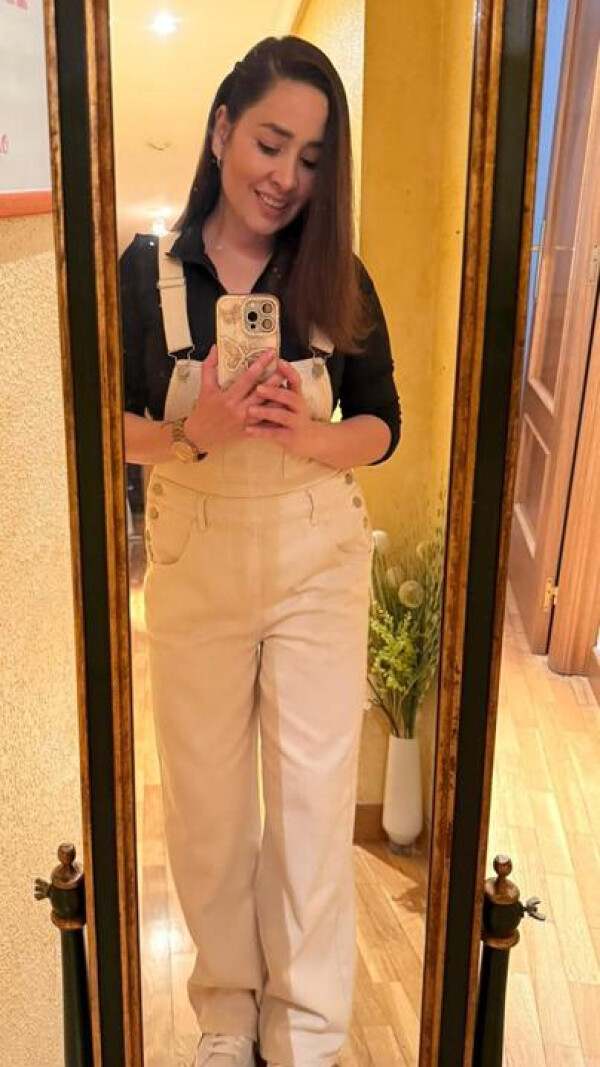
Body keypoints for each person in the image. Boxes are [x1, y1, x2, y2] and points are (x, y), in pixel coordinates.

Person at [120, 35, 400, 1067]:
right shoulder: (145, 272)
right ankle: (227, 1016)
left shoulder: (337, 277)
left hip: (316, 557)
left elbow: (383, 425)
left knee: (315, 806)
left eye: (313, 158)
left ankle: (308, 1032)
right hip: (192, 558)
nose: (286, 176)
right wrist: (194, 431)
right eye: (271, 143)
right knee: (205, 805)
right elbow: (99, 423)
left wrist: (308, 436)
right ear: (222, 130)